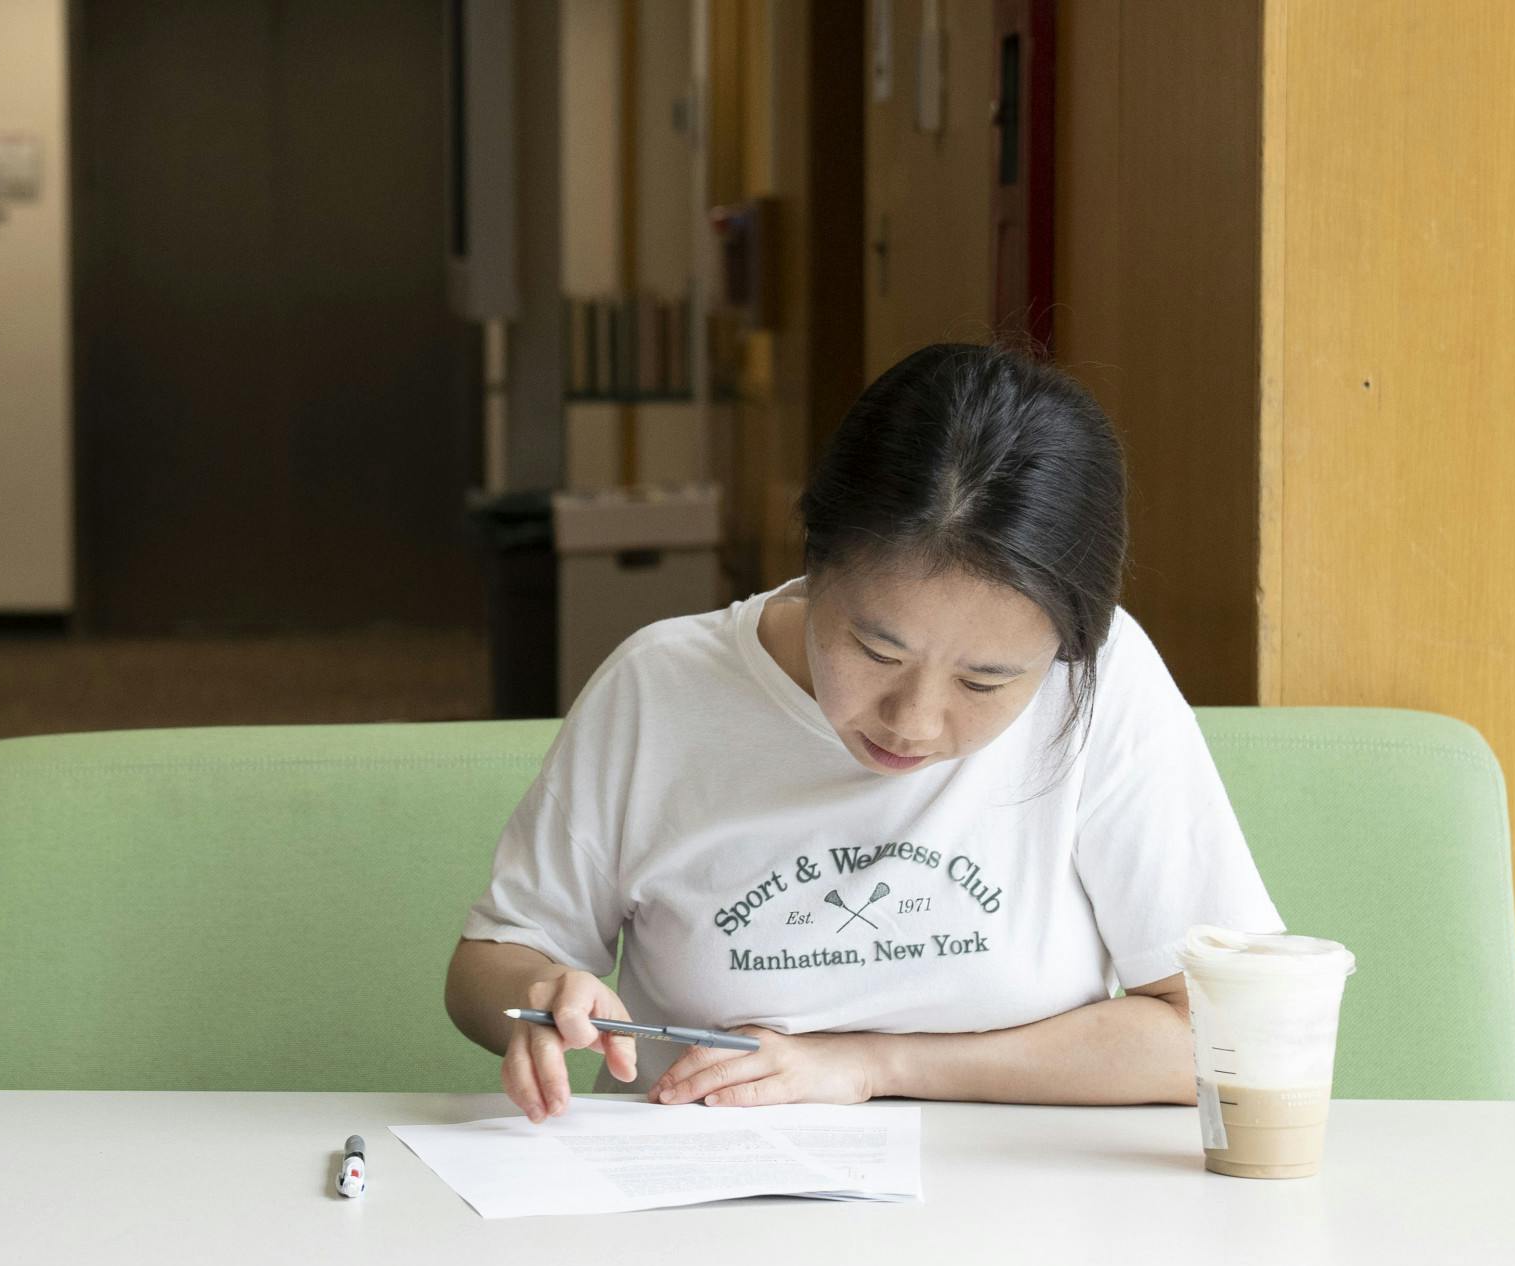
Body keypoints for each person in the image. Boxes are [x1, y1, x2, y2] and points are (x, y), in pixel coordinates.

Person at [443, 340, 1284, 1123]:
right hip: (706, 1214)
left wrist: (872, 1065)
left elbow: (1226, 1031)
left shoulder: (1099, 684)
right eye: (877, 651)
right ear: (813, 560)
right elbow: (487, 966)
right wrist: (547, 994)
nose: (915, 722)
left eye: (986, 680)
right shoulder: (661, 690)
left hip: (1020, 1226)